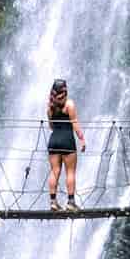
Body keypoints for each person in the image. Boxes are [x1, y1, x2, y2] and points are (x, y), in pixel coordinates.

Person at [47, 78, 85, 211]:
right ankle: (70, 202)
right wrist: (82, 139)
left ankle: (53, 201)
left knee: (54, 171)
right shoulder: (69, 104)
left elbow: (51, 126)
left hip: (53, 140)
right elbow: (75, 124)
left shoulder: (50, 107)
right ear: (64, 90)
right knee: (70, 172)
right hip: (67, 141)